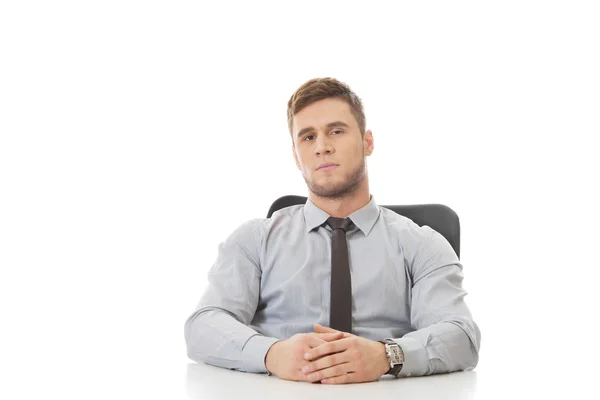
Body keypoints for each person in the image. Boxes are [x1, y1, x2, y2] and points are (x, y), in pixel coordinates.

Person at [184, 77, 481, 384]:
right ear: (296, 157)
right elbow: (203, 325)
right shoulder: (254, 240)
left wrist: (386, 356)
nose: (322, 147)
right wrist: (271, 353)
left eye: (336, 131)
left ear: (367, 142)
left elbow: (462, 334)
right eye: (308, 138)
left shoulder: (423, 244)